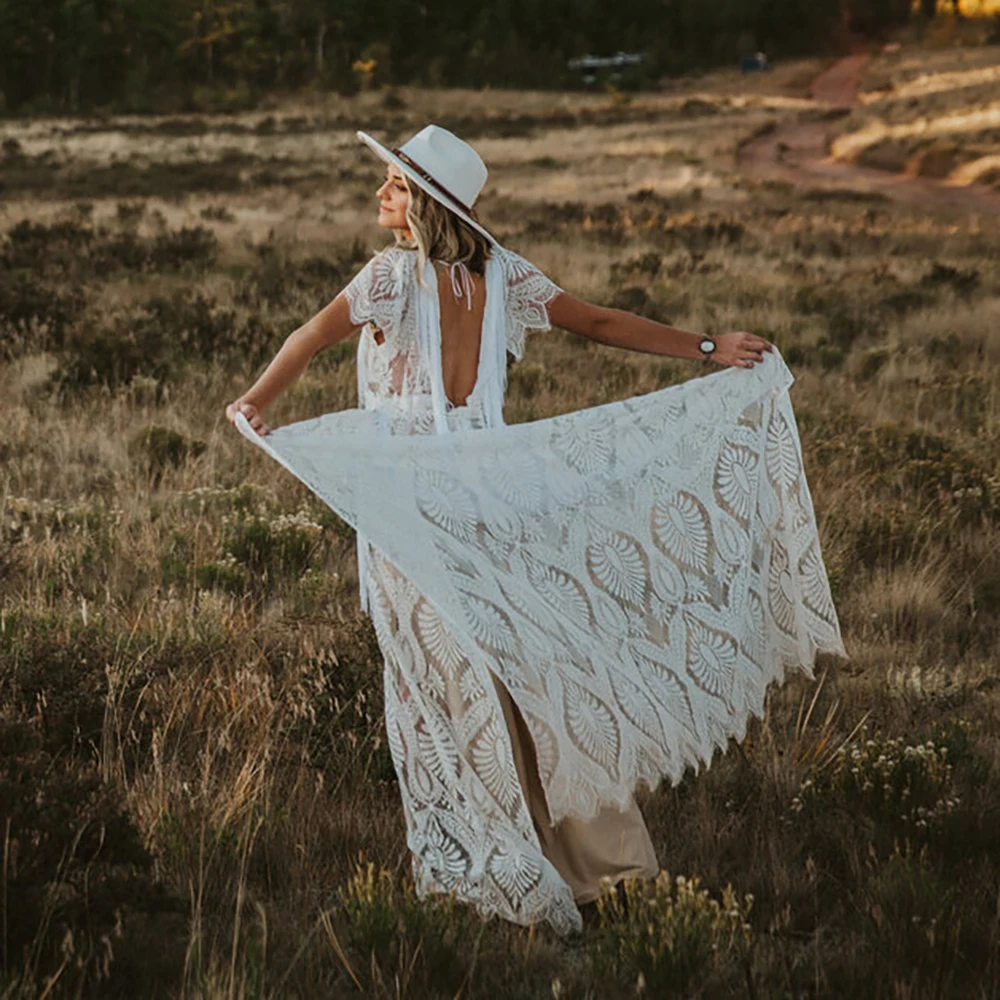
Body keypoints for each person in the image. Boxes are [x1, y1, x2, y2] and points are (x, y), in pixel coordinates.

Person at [226, 125, 845, 935]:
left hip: (414, 513)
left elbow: (307, 338)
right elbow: (599, 322)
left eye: (395, 184)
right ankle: (605, 869)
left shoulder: (386, 279)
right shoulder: (503, 277)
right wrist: (705, 346)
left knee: (449, 692)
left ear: (426, 205)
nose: (381, 195)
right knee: (532, 680)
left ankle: (503, 877)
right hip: (492, 505)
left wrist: (256, 403)